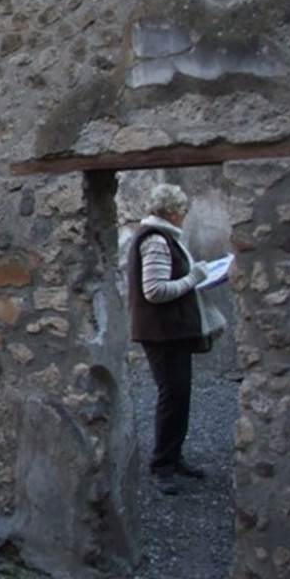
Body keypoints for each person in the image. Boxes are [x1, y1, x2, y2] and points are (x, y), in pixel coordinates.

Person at [127, 184, 212, 496]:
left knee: (179, 395)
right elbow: (155, 290)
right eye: (182, 212)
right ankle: (162, 466)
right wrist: (195, 278)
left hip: (169, 331)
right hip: (161, 332)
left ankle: (173, 459)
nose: (184, 218)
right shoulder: (156, 240)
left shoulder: (161, 237)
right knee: (171, 396)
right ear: (173, 212)